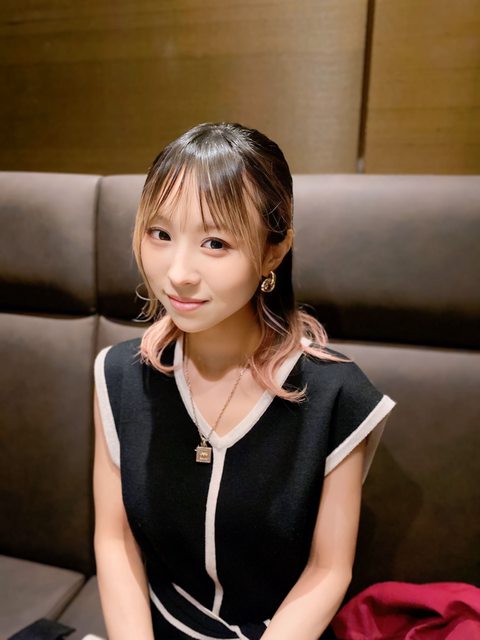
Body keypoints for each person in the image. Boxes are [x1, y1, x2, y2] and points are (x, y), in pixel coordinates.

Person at [92, 122, 397, 640]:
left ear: (274, 252)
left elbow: (327, 571)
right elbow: (115, 539)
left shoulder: (336, 396)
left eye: (215, 243)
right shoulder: (118, 375)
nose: (178, 272)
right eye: (160, 234)